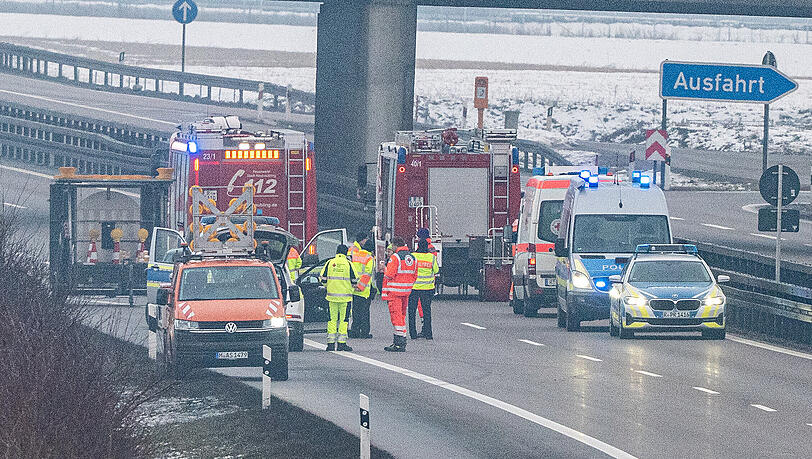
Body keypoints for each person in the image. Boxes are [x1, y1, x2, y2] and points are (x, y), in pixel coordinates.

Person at [381, 236, 417, 352]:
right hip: (406, 292)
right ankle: (401, 340)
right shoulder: (412, 257)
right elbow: (415, 275)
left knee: (396, 318)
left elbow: (389, 275)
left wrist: (384, 268)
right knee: (401, 316)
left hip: (395, 292)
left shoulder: (395, 257)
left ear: (395, 245)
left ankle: (399, 342)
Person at [320, 244, 357, 351]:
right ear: (346, 253)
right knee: (343, 320)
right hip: (345, 298)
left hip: (331, 298)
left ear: (337, 252)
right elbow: (354, 280)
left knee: (331, 320)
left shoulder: (330, 263)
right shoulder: (349, 264)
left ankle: (330, 344)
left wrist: (329, 286)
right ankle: (341, 343)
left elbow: (322, 279)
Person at [409, 238, 438, 339]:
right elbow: (436, 270)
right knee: (427, 311)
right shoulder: (431, 257)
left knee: (412, 311)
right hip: (427, 288)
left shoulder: (413, 256)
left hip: (414, 288)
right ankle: (428, 334)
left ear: (417, 246)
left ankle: (413, 334)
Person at [347, 232, 375, 339]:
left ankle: (355, 330)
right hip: (363, 290)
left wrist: (354, 285)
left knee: (355, 311)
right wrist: (361, 286)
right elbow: (367, 275)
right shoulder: (369, 258)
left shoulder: (355, 255)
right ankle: (364, 332)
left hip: (353, 288)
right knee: (365, 313)